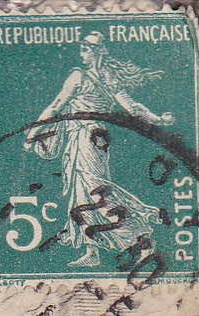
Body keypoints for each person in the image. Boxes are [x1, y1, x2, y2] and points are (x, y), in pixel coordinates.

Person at [26, 31, 178, 267]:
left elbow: (56, 106)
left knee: (95, 192)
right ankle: (93, 251)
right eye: (82, 48)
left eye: (87, 49)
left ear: (97, 52)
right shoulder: (108, 77)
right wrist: (158, 119)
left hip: (84, 139)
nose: (82, 53)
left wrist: (33, 132)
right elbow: (134, 108)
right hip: (95, 139)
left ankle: (142, 240)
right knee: (82, 193)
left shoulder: (79, 76)